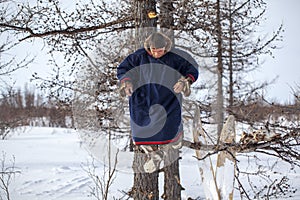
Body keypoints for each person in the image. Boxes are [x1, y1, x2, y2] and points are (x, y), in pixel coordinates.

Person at [117, 32, 198, 172]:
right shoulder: (139, 56)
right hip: (143, 97)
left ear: (165, 48)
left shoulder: (174, 56)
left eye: (160, 51)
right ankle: (153, 154)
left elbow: (191, 67)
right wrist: (127, 82)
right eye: (153, 51)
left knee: (169, 125)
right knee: (140, 130)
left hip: (167, 96)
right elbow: (124, 68)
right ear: (149, 48)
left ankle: (173, 141)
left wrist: (184, 81)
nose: (156, 54)